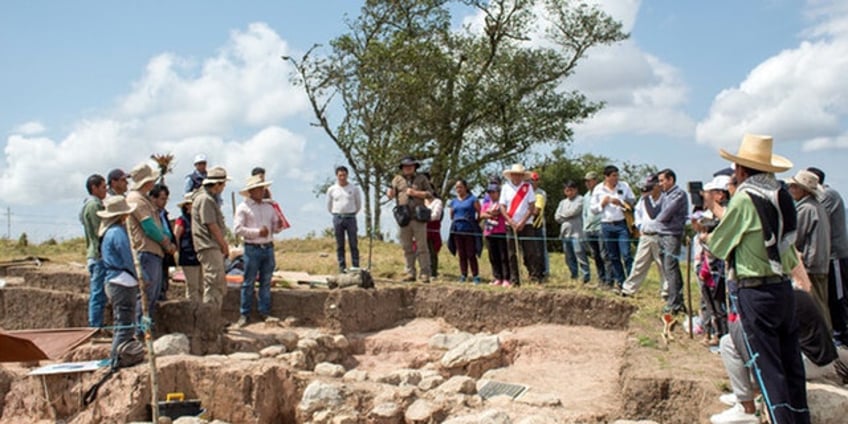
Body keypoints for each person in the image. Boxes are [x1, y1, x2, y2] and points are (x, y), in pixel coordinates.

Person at [706, 134, 809, 424]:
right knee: (791, 365)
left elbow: (719, 245)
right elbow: (788, 248)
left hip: (755, 290)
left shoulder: (745, 198)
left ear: (741, 170)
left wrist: (706, 234)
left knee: (767, 368)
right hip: (782, 287)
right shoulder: (782, 196)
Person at [711, 288, 842, 424]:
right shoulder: (792, 294)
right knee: (742, 340)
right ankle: (747, 394)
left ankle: (746, 407)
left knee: (730, 342)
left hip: (811, 361)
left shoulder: (775, 301)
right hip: (820, 358)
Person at [126, 163, 175, 339]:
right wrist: (166, 243)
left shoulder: (143, 199)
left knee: (151, 296)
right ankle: (140, 333)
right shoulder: (136, 200)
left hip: (153, 252)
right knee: (145, 296)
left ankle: (146, 331)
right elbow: (149, 227)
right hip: (146, 251)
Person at [234, 175, 283, 327]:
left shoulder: (269, 207)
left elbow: (274, 228)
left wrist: (278, 226)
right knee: (248, 282)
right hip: (252, 248)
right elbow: (237, 229)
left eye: (263, 188)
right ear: (251, 191)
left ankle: (264, 312)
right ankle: (244, 313)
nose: (262, 191)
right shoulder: (243, 208)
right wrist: (256, 232)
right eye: (259, 189)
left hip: (267, 247)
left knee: (265, 282)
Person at [806, 166, 848, 346]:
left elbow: (815, 215)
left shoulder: (827, 195)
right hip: (827, 256)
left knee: (837, 297)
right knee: (829, 296)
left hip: (834, 255)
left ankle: (842, 336)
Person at [786, 170, 832, 330]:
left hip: (811, 265)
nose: (791, 190)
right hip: (821, 263)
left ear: (803, 189)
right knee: (821, 304)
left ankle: (824, 343)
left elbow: (794, 238)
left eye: (794, 186)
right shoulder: (817, 207)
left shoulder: (805, 209)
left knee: (815, 307)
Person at [96, 196, 139, 368]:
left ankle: (119, 356)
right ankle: (116, 358)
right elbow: (129, 258)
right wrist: (141, 277)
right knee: (124, 323)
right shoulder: (118, 233)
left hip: (114, 280)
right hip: (122, 280)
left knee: (123, 321)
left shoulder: (108, 232)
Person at [387, 156, 434, 283]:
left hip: (418, 217)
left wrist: (416, 193)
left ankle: (425, 273)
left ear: (414, 167)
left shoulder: (422, 178)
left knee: (422, 247)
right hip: (403, 217)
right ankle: (410, 272)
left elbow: (430, 194)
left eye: (411, 166)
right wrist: (390, 193)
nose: (408, 168)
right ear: (402, 168)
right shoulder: (397, 179)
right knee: (406, 247)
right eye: (405, 166)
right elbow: (390, 192)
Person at [192, 166, 231, 310]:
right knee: (214, 282)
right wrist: (223, 244)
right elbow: (211, 224)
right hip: (208, 245)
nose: (224, 187)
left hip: (210, 245)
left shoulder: (207, 198)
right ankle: (210, 318)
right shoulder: (205, 199)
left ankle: (213, 317)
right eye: (223, 184)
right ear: (217, 184)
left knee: (216, 282)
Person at [590, 165, 635, 290]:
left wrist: (621, 203)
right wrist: (602, 204)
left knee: (626, 254)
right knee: (613, 256)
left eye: (617, 175)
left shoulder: (624, 185)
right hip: (606, 225)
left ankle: (632, 283)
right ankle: (620, 282)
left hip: (621, 224)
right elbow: (593, 209)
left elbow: (632, 200)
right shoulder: (598, 189)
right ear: (606, 177)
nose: (616, 178)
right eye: (613, 176)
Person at [621, 174, 665, 296]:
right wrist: (639, 227)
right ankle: (628, 289)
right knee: (639, 264)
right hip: (645, 235)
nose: (649, 189)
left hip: (659, 236)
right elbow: (638, 213)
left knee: (662, 264)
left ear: (658, 186)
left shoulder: (665, 199)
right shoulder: (644, 199)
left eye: (652, 186)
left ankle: (666, 291)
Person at [654, 168, 689, 314]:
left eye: (662, 180)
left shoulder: (678, 194)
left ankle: (674, 303)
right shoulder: (665, 195)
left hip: (671, 234)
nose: (660, 184)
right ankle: (677, 300)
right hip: (662, 234)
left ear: (671, 180)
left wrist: (656, 220)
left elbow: (664, 214)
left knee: (671, 267)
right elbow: (655, 211)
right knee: (668, 268)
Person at [499, 164, 538, 287]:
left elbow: (531, 206)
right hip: (510, 224)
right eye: (515, 174)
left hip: (526, 224)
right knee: (512, 253)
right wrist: (511, 221)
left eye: (520, 175)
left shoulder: (528, 187)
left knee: (530, 251)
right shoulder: (505, 188)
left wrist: (522, 221)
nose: (517, 177)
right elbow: (502, 207)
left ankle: (534, 276)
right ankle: (515, 279)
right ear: (511, 175)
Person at [80, 174, 108, 328]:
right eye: (103, 187)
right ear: (94, 188)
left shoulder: (87, 204)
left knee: (98, 292)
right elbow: (100, 231)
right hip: (98, 254)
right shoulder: (94, 206)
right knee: (98, 293)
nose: (106, 190)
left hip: (94, 253)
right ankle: (95, 326)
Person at [326, 166, 362, 273]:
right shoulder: (332, 189)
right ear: (337, 176)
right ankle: (342, 267)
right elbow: (328, 205)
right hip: (338, 217)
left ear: (347, 175)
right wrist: (335, 213)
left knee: (353, 243)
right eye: (340, 175)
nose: (342, 177)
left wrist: (353, 212)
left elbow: (358, 204)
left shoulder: (354, 188)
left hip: (350, 217)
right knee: (340, 244)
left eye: (344, 175)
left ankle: (355, 266)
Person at [555, 180, 590, 283]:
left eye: (571, 190)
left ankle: (585, 276)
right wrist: (566, 216)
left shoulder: (581, 200)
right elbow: (557, 217)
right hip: (565, 233)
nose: (569, 192)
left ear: (576, 190)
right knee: (569, 256)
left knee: (580, 255)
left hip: (577, 233)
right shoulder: (562, 202)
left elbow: (574, 212)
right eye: (567, 190)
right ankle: (573, 275)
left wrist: (564, 215)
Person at [448, 179, 481, 283]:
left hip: (469, 230)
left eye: (460, 187)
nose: (458, 189)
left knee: (471, 253)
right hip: (458, 230)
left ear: (465, 187)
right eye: (457, 188)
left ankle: (475, 275)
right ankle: (463, 274)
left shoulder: (472, 199)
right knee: (461, 254)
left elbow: (480, 212)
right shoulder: (453, 201)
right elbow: (451, 215)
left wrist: (475, 222)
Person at [582, 171, 610, 285]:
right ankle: (601, 279)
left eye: (589, 181)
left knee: (605, 255)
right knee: (596, 256)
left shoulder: (602, 193)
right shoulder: (586, 196)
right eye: (586, 181)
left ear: (595, 180)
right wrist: (585, 227)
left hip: (600, 227)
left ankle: (609, 280)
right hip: (589, 229)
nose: (587, 183)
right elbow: (584, 213)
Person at [173, 193, 202, 302]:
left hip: (199, 255)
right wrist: (177, 253)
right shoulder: (182, 220)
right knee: (192, 286)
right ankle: (192, 311)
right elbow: (176, 236)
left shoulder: (199, 220)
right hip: (188, 256)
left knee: (201, 285)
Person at [481, 183, 510, 286]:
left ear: (499, 193)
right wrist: (489, 213)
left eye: (493, 192)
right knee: (493, 256)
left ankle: (506, 277)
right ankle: (497, 277)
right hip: (489, 232)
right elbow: (482, 214)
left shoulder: (502, 203)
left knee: (503, 256)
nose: (491, 194)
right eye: (489, 192)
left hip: (501, 231)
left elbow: (502, 212)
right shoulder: (486, 203)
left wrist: (495, 212)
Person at [150, 183, 175, 301]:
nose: (164, 202)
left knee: (163, 283)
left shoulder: (164, 214)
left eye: (166, 199)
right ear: (153, 198)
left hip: (166, 253)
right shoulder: (150, 214)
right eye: (162, 199)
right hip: (156, 251)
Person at [529, 172, 549, 278]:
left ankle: (544, 271)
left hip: (538, 224)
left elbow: (536, 210)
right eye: (531, 180)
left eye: (535, 180)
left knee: (541, 250)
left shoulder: (541, 193)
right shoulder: (526, 192)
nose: (532, 182)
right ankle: (533, 271)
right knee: (530, 250)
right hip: (528, 225)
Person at [424, 193, 444, 278]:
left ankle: (433, 272)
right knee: (422, 251)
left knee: (432, 252)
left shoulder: (437, 202)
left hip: (433, 230)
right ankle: (424, 271)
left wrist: (423, 217)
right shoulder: (421, 201)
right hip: (422, 229)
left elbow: (436, 215)